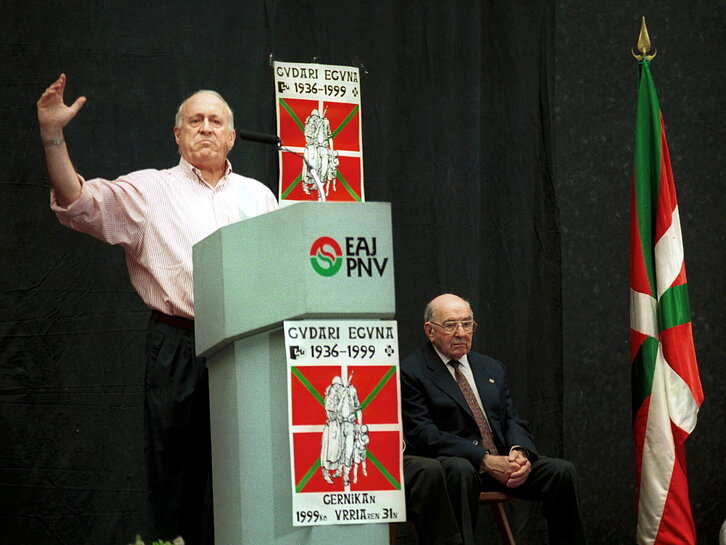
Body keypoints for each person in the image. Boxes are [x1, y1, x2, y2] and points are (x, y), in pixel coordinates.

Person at [36, 73, 278, 544]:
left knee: (244, 477)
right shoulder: (149, 191)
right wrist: (52, 134)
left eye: (215, 121)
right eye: (195, 120)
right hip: (178, 346)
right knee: (175, 479)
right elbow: (77, 201)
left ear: (231, 136)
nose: (205, 128)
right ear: (177, 135)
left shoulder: (260, 196)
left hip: (245, 350)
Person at [401, 294, 586, 545]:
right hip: (460, 465)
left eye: (467, 324)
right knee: (460, 471)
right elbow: (424, 434)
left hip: (503, 461)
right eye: (450, 325)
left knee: (561, 472)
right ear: (430, 331)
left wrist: (519, 452)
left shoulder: (491, 367)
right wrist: (484, 460)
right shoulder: (412, 371)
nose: (461, 333)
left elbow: (510, 418)